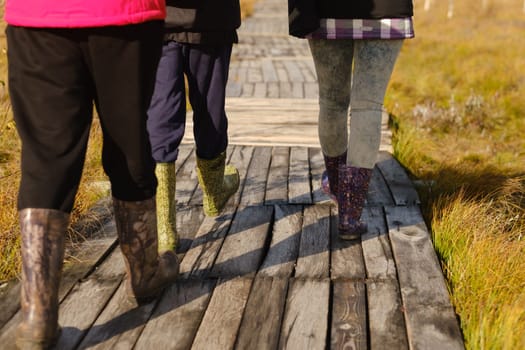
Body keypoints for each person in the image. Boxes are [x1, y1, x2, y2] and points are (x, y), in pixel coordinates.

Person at [4, 1, 180, 348]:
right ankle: (145, 274)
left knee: (45, 157)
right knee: (129, 141)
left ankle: (38, 315)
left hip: (38, 15)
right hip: (125, 14)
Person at [289, 0, 415, 240]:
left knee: (331, 102)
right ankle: (350, 213)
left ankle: (338, 186)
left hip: (326, 10)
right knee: (368, 106)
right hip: (386, 10)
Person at [146, 0, 241, 251]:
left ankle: (165, 230)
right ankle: (214, 193)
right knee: (211, 111)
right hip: (211, 21)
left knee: (161, 115)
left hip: (159, 21)